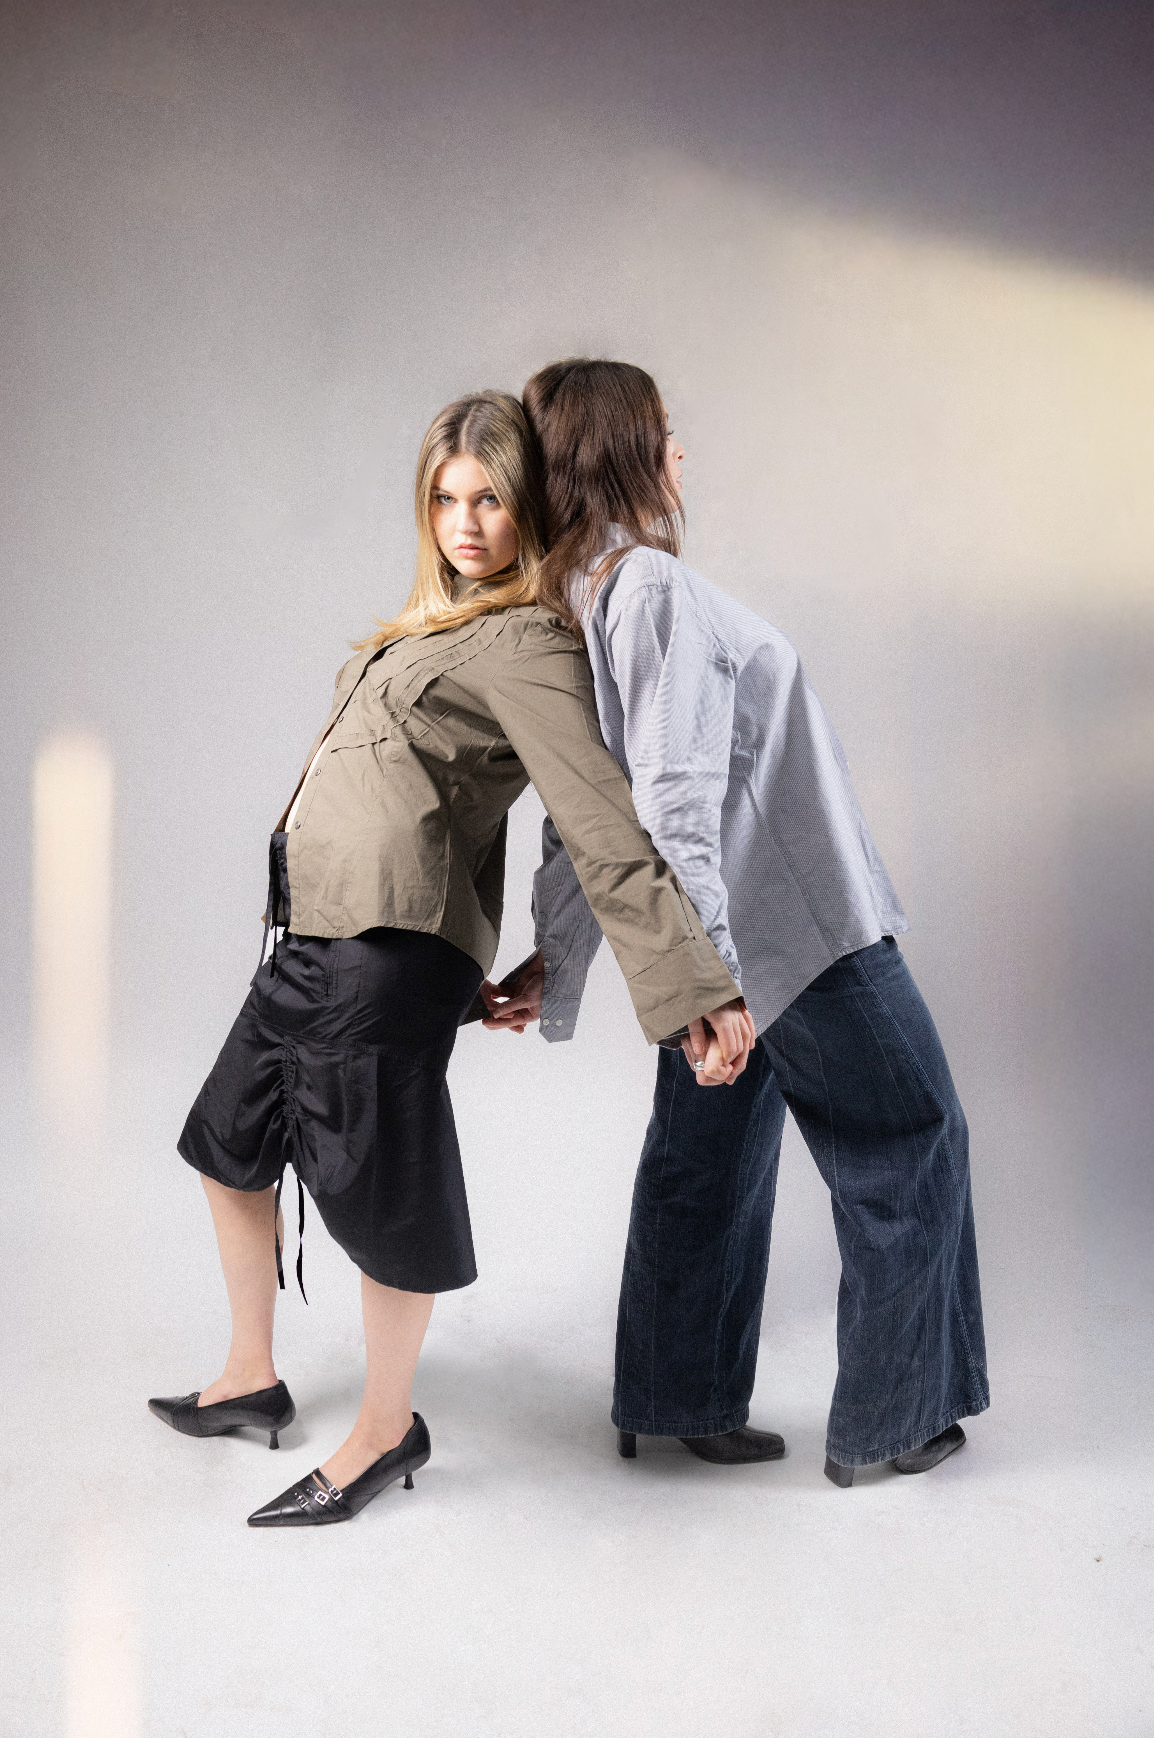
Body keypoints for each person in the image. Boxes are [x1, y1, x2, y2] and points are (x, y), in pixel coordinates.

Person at [149, 390, 751, 1528]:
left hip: (377, 956)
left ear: (530, 509)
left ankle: (384, 1431)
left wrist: (690, 989)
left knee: (385, 1200)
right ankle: (249, 1375)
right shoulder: (428, 627)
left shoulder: (527, 640)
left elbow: (602, 818)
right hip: (317, 935)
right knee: (227, 1144)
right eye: (444, 497)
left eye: (489, 499)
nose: (464, 521)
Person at [481, 359, 989, 1484]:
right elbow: (665, 800)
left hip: (719, 946)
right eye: (665, 432)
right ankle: (892, 1421)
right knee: (909, 1138)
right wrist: (710, 980)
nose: (680, 452)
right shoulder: (649, 589)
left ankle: (674, 1401)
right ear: (623, 450)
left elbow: (588, 813)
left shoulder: (578, 602)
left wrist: (558, 966)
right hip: (791, 931)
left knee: (703, 1159)